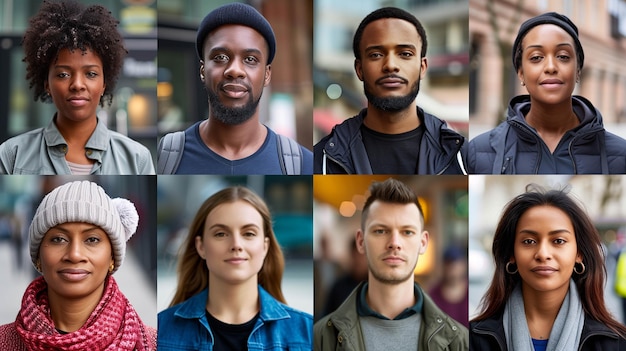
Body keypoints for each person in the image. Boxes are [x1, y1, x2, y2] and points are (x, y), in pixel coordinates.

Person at [0, 0, 155, 175]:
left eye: (91, 74)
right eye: (63, 74)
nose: (77, 85)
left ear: (104, 84)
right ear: (47, 84)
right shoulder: (12, 154)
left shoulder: (137, 158)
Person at [157, 2, 313, 175]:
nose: (235, 70)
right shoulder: (166, 157)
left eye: (250, 59)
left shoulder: (302, 164)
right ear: (202, 70)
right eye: (221, 57)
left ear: (267, 74)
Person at [0, 180, 156, 350]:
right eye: (58, 239)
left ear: (112, 257)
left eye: (92, 240)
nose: (75, 255)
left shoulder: (155, 343)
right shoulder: (4, 342)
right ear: (38, 256)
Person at [314, 178, 468, 350]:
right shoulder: (319, 338)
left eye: (407, 232)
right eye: (380, 231)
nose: (394, 242)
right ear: (361, 242)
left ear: (423, 242)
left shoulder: (460, 342)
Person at [470, 184, 626, 350]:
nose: (543, 254)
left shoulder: (615, 343)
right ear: (511, 254)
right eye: (529, 241)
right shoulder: (473, 339)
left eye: (558, 241)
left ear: (579, 253)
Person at [313, 7, 468, 175]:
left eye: (405, 54)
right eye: (376, 55)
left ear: (422, 67)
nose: (391, 65)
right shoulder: (321, 160)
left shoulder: (462, 156)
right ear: (359, 69)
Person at [468, 12, 626, 174]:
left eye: (563, 56)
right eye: (536, 57)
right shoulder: (478, 152)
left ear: (578, 70)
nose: (551, 67)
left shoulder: (621, 154)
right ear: (521, 73)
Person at [157, 186, 312, 350]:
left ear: (265, 246)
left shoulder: (307, 333)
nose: (236, 245)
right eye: (221, 234)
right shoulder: (160, 331)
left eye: (249, 233)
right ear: (201, 246)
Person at [428, 245, 469, 328]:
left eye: (456, 264)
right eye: (449, 264)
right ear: (444, 266)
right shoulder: (433, 294)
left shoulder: (470, 293)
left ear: (463, 265)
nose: (453, 268)